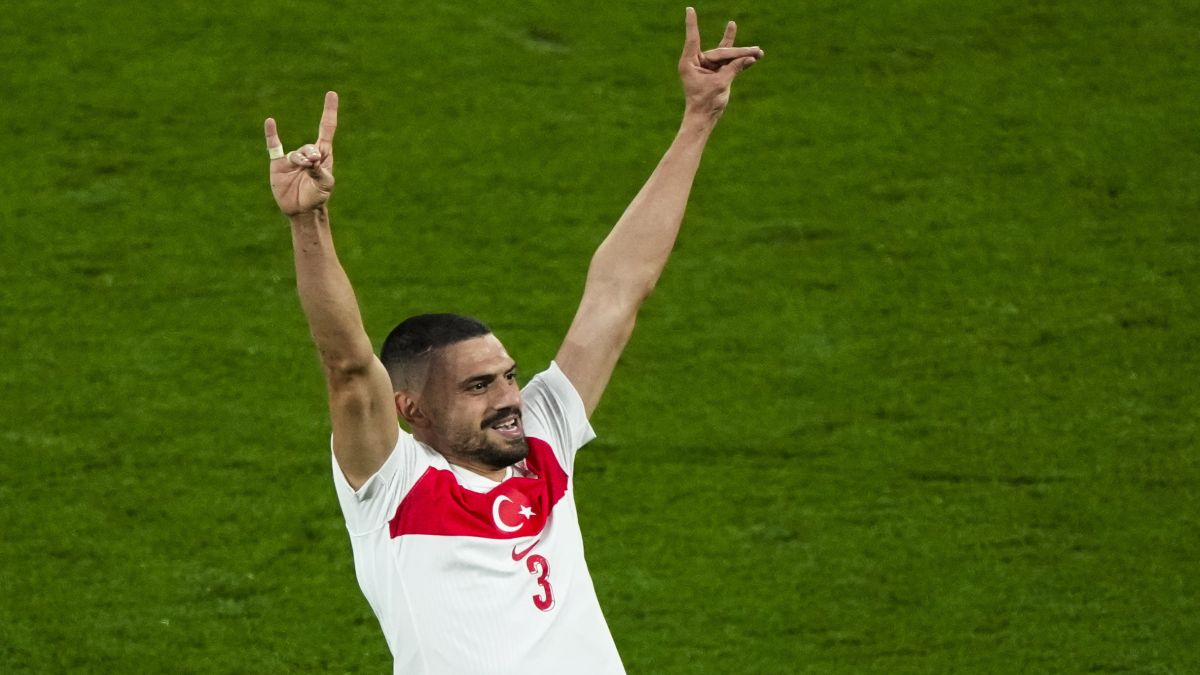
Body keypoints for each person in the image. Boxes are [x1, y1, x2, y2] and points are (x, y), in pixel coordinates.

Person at [262, 8, 761, 674]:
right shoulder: (394, 484)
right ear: (409, 408)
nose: (510, 398)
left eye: (506, 375)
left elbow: (617, 290)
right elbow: (349, 366)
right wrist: (310, 222)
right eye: (477, 385)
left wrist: (698, 122)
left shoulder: (544, 438)